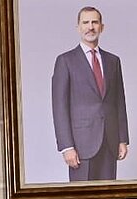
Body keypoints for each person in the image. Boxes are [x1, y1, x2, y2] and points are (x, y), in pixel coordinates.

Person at [51, 6, 129, 181]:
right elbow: (59, 107)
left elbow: (119, 102)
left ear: (102, 27)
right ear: (78, 27)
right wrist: (66, 147)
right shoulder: (65, 61)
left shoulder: (113, 61)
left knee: (108, 198)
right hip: (80, 145)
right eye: (85, 22)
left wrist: (122, 138)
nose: (90, 27)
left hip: (110, 142)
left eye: (94, 22)